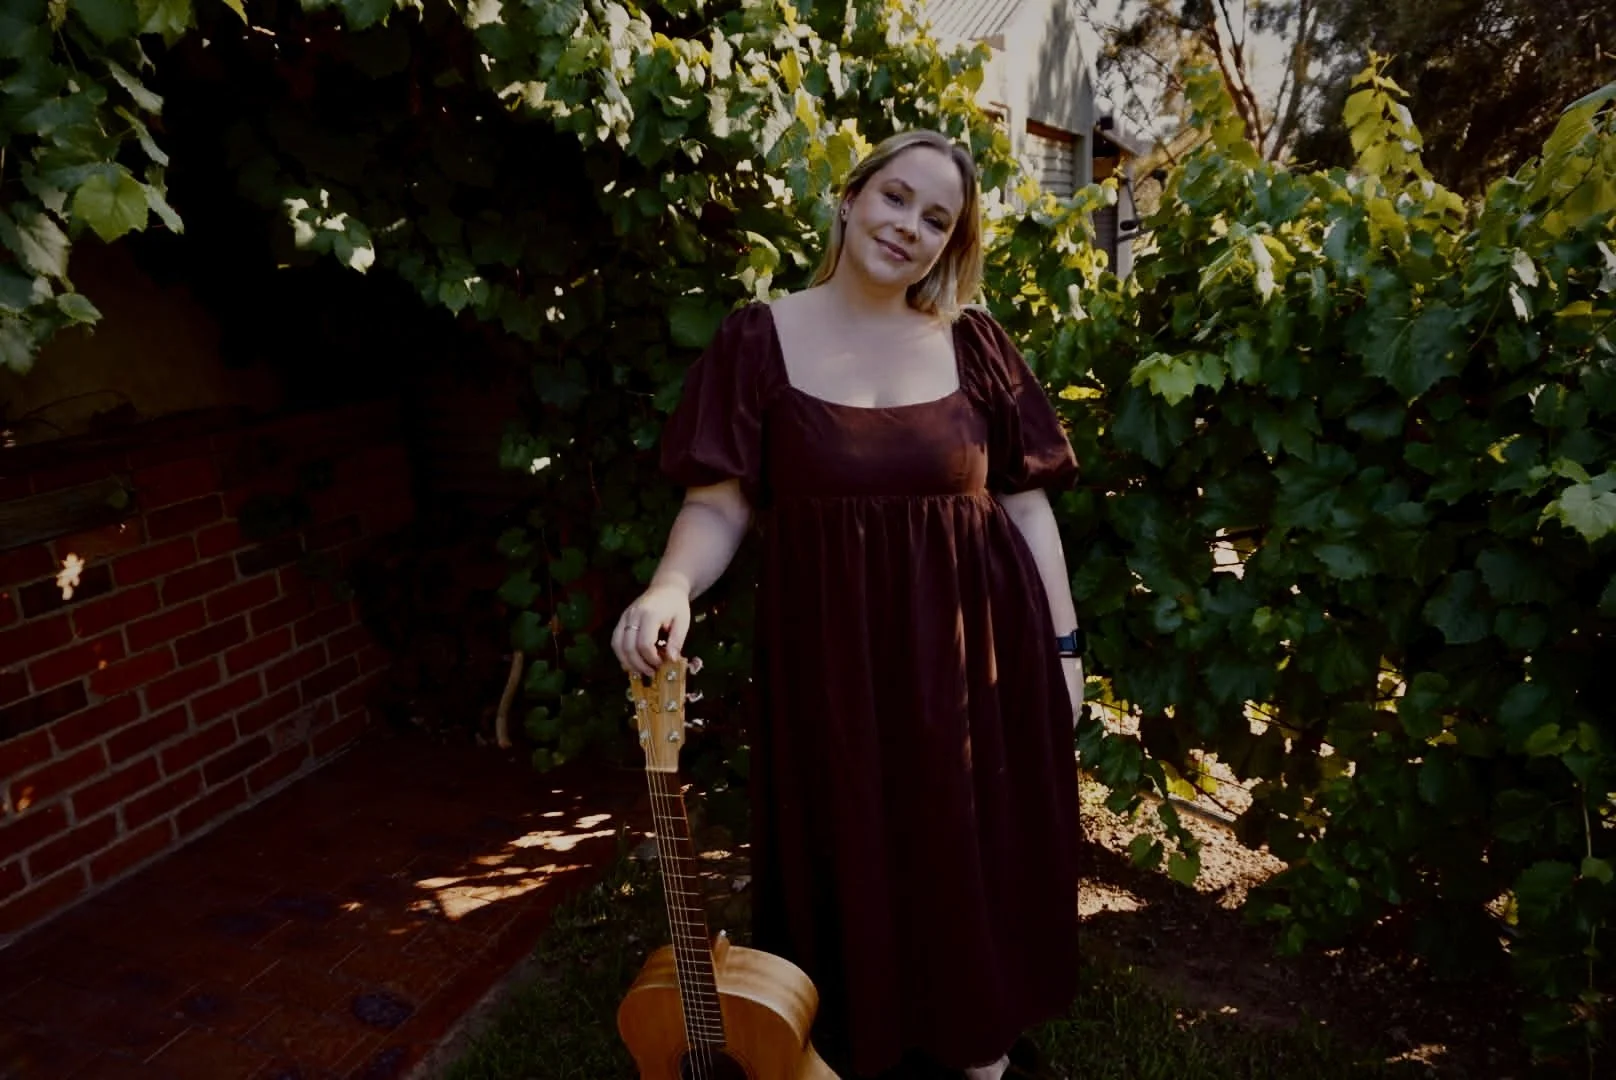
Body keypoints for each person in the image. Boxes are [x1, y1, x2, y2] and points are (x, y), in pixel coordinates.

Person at [611, 129, 1083, 1080]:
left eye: (937, 219)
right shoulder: (760, 338)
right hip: (830, 660)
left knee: (968, 842)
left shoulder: (975, 344)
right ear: (851, 198)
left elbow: (1028, 505)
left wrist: (1065, 651)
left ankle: (978, 1051)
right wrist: (670, 583)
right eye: (896, 198)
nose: (910, 226)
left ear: (953, 244)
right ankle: (848, 1043)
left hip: (971, 656)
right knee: (849, 841)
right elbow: (718, 500)